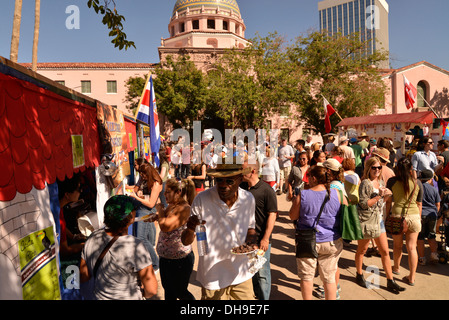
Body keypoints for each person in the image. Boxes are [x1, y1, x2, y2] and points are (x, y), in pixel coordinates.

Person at [182, 157, 257, 300]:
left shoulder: (248, 199)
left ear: (240, 179)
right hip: (213, 276)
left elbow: (250, 228)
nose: (223, 185)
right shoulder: (202, 199)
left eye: (229, 181)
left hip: (242, 273)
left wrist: (252, 243)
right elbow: (186, 242)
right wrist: (190, 229)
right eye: (219, 180)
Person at [79, 195, 158, 300]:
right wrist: (141, 295)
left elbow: (84, 276)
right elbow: (151, 289)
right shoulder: (135, 246)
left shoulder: (92, 237)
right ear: (129, 217)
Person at [289, 165, 346, 300]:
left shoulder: (303, 194)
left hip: (307, 241)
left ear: (313, 178)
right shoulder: (337, 194)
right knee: (329, 279)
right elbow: (345, 214)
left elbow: (292, 216)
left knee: (307, 277)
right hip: (332, 241)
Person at [355, 157, 405, 294]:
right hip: (367, 221)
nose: (377, 170)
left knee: (385, 252)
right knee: (362, 250)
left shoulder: (380, 181)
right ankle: (359, 274)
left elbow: (381, 202)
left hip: (378, 220)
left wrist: (386, 196)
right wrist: (379, 196)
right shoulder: (366, 183)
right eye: (374, 168)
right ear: (368, 168)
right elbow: (363, 204)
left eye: (379, 168)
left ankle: (390, 281)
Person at [154, 178, 197, 300]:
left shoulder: (184, 208)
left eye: (167, 191)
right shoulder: (172, 205)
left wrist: (160, 210)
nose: (164, 194)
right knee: (169, 291)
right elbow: (166, 220)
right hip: (166, 259)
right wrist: (156, 216)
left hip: (180, 260)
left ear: (178, 192)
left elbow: (165, 226)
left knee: (181, 292)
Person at [242, 161, 278, 300]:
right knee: (250, 271)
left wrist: (265, 238)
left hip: (262, 240)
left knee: (262, 272)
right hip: (245, 239)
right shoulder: (242, 187)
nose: (241, 172)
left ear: (252, 171)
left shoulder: (266, 190)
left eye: (243, 170)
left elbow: (272, 214)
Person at [385, 157, 423, 286]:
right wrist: (419, 218)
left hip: (397, 216)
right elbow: (419, 204)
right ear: (411, 168)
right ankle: (412, 277)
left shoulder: (392, 181)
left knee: (397, 246)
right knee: (412, 248)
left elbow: (389, 201)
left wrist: (386, 216)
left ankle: (396, 268)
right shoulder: (418, 183)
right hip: (414, 216)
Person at [129, 162, 163, 272]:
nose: (142, 176)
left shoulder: (156, 183)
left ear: (148, 173)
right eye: (141, 174)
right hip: (140, 208)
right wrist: (139, 192)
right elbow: (136, 189)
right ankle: (146, 260)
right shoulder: (144, 179)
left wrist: (137, 197)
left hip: (146, 210)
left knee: (141, 238)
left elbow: (151, 204)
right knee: (140, 237)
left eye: (143, 174)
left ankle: (155, 264)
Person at [416, 169, 441, 265]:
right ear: (430, 179)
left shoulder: (418, 188)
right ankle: (434, 254)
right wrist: (435, 213)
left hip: (421, 214)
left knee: (420, 237)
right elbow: (438, 204)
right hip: (432, 215)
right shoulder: (434, 189)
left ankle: (422, 259)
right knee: (432, 236)